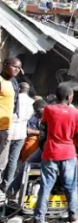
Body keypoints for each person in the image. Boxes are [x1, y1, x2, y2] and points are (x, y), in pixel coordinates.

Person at [32, 84, 78, 223]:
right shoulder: (76, 113)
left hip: (51, 153)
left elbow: (43, 129)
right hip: (69, 153)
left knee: (45, 186)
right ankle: (74, 216)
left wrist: (43, 146)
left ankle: (39, 218)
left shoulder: (49, 109)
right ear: (69, 97)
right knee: (71, 187)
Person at [7, 99, 46, 199]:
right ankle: (10, 193)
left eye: (37, 110)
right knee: (26, 166)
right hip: (43, 148)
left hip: (53, 149)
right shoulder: (36, 117)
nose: (35, 112)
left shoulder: (51, 116)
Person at [1, 82, 33, 192]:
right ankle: (6, 185)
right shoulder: (31, 102)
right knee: (13, 160)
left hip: (8, 131)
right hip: (21, 133)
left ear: (18, 88)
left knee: (2, 158)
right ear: (28, 90)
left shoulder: (13, 98)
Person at [0, 57, 21, 197]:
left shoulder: (13, 83)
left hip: (5, 128)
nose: (17, 70)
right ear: (5, 65)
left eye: (19, 68)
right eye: (14, 67)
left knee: (2, 162)